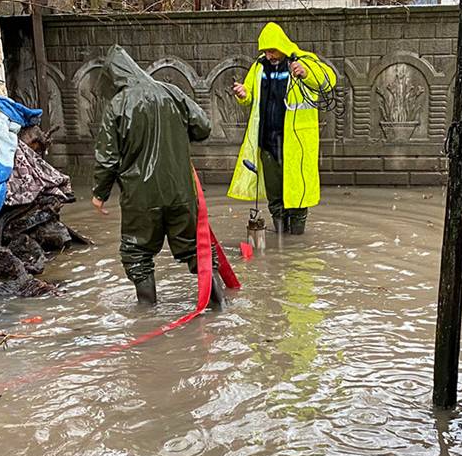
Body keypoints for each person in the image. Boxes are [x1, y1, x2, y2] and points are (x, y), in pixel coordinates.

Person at [92, 45, 221, 307]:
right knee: (198, 250)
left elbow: (107, 158)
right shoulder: (171, 92)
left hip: (140, 197)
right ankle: (220, 307)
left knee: (137, 254)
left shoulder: (117, 105)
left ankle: (147, 317)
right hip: (181, 192)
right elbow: (203, 127)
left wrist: (99, 194)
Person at [228, 22, 336, 235]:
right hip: (268, 141)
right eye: (266, 51)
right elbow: (249, 94)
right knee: (274, 192)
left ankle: (296, 235)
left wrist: (305, 74)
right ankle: (280, 234)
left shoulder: (304, 61)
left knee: (297, 192)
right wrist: (242, 94)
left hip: (297, 144)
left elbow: (328, 81)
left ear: (282, 46)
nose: (269, 55)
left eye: (272, 50)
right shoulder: (259, 67)